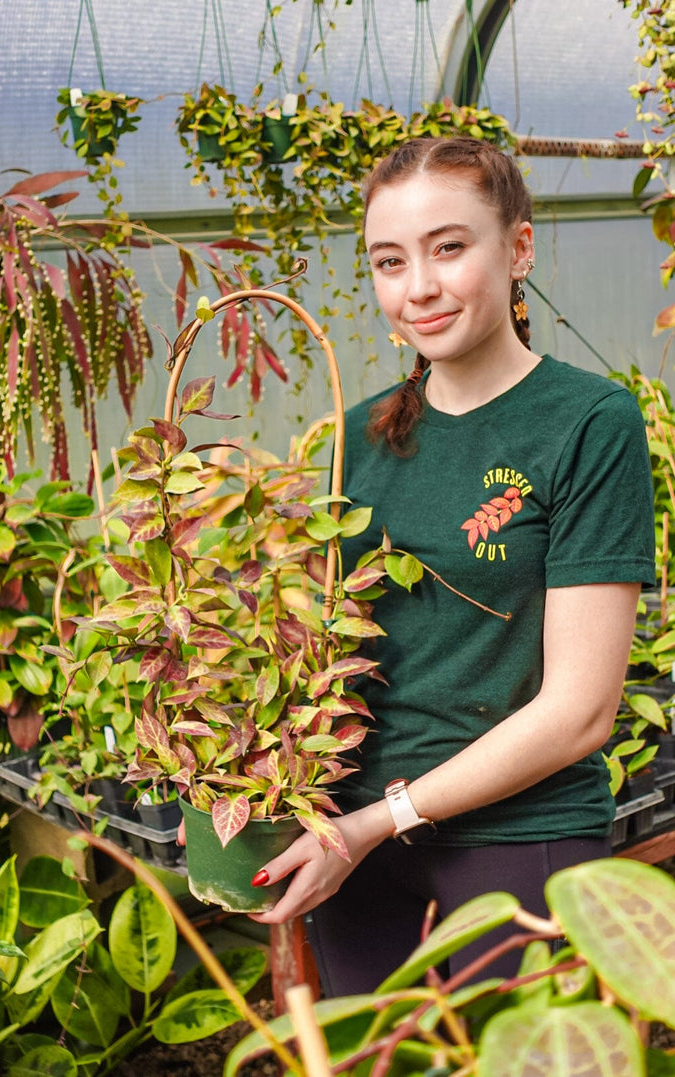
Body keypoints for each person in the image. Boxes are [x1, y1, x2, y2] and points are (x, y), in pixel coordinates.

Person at [248, 136, 656, 995]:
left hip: (518, 837)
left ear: (519, 249)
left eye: (449, 246)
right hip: (352, 848)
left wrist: (375, 821)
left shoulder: (587, 421)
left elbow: (581, 711)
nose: (418, 288)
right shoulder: (353, 440)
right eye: (390, 261)